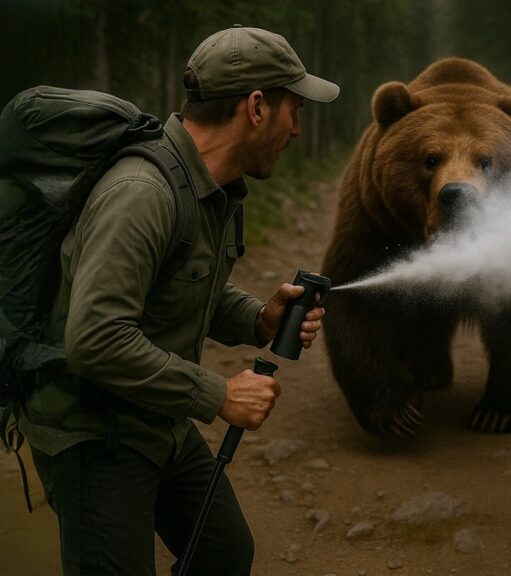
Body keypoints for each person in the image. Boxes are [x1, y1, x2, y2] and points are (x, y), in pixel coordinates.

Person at [17, 26, 339, 575]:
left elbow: (185, 284)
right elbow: (95, 338)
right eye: (294, 108)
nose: (298, 128)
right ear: (256, 107)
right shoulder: (141, 195)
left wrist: (260, 318)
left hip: (155, 420)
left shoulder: (212, 188)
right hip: (94, 434)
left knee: (223, 554)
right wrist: (217, 393)